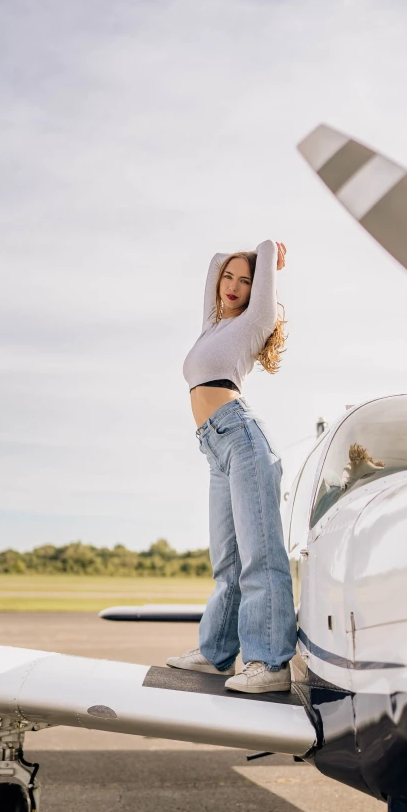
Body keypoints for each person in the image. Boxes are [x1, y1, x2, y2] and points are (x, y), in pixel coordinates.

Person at [167, 239, 297, 693]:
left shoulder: (255, 322)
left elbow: (260, 253)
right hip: (215, 447)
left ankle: (270, 663)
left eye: (246, 280)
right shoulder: (212, 327)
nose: (234, 286)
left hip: (242, 438)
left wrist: (268, 257)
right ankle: (217, 652)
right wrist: (234, 263)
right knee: (228, 558)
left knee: (260, 555)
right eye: (229, 277)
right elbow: (211, 262)